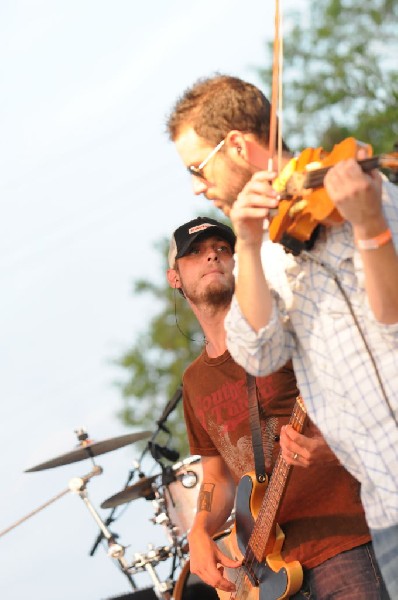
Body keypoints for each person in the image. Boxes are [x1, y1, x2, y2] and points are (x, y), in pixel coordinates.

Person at [166, 75, 398, 597]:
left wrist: (370, 227)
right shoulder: (267, 256)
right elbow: (257, 350)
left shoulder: (368, 204)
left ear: (238, 147)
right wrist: (247, 244)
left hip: (352, 523)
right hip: (368, 509)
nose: (197, 187)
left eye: (198, 169)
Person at [166, 215, 389, 599]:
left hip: (344, 539)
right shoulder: (195, 381)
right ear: (175, 278)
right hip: (268, 573)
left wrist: (329, 450)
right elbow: (217, 477)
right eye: (196, 253)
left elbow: (363, 407)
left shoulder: (279, 333)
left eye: (223, 249)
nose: (213, 258)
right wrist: (200, 530)